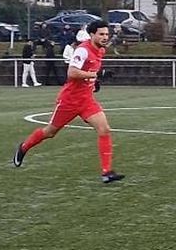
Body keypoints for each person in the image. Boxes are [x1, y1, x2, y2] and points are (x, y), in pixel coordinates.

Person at [13, 20, 124, 184]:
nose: (105, 37)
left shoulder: (100, 50)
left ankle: (106, 172)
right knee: (50, 132)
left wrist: (95, 82)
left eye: (107, 34)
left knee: (104, 129)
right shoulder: (83, 50)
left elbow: (89, 72)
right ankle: (23, 147)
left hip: (86, 100)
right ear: (92, 34)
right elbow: (71, 73)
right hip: (69, 101)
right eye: (101, 34)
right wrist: (95, 76)